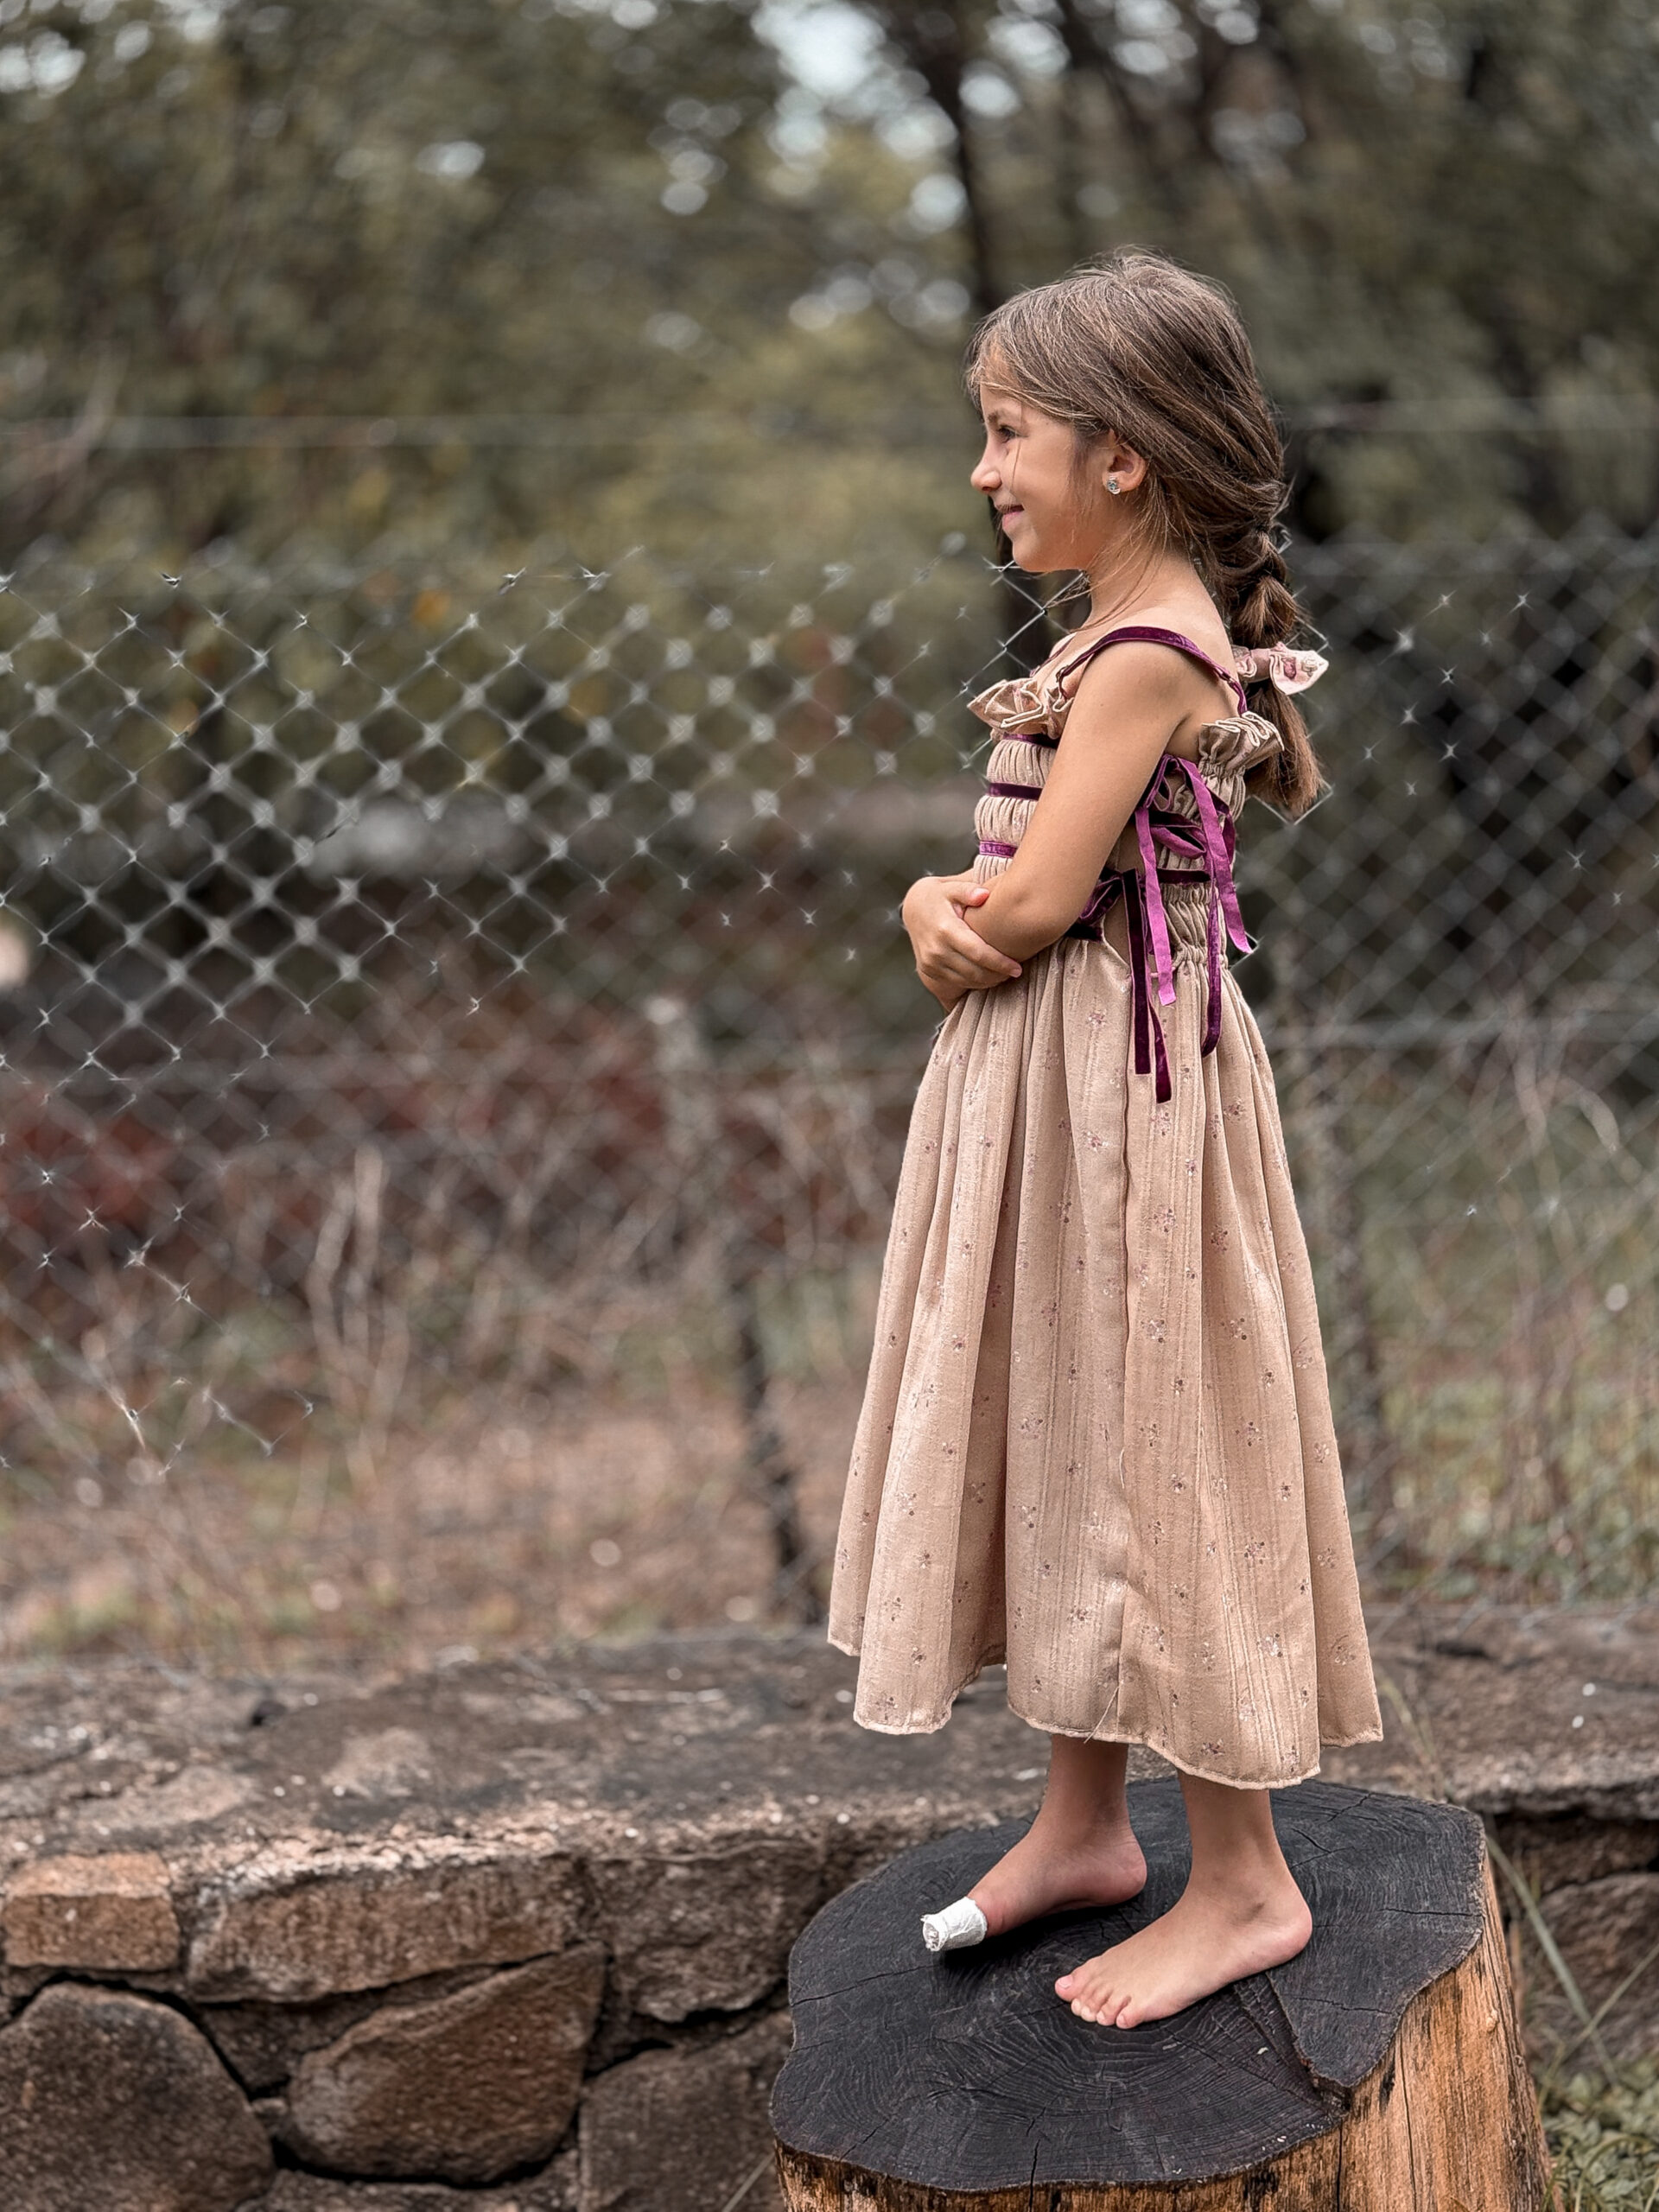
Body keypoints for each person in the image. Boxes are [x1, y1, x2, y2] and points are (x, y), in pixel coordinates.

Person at [828, 250, 1382, 2033]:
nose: (986, 470)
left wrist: (928, 897)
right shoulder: (1102, 637)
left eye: (1009, 435)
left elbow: (1036, 900)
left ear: (1123, 455)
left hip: (1124, 1108)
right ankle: (1084, 1825)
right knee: (1064, 1409)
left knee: (1155, 1436)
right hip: (1061, 1101)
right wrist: (954, 906)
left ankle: (1245, 1876)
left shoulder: (1146, 652)